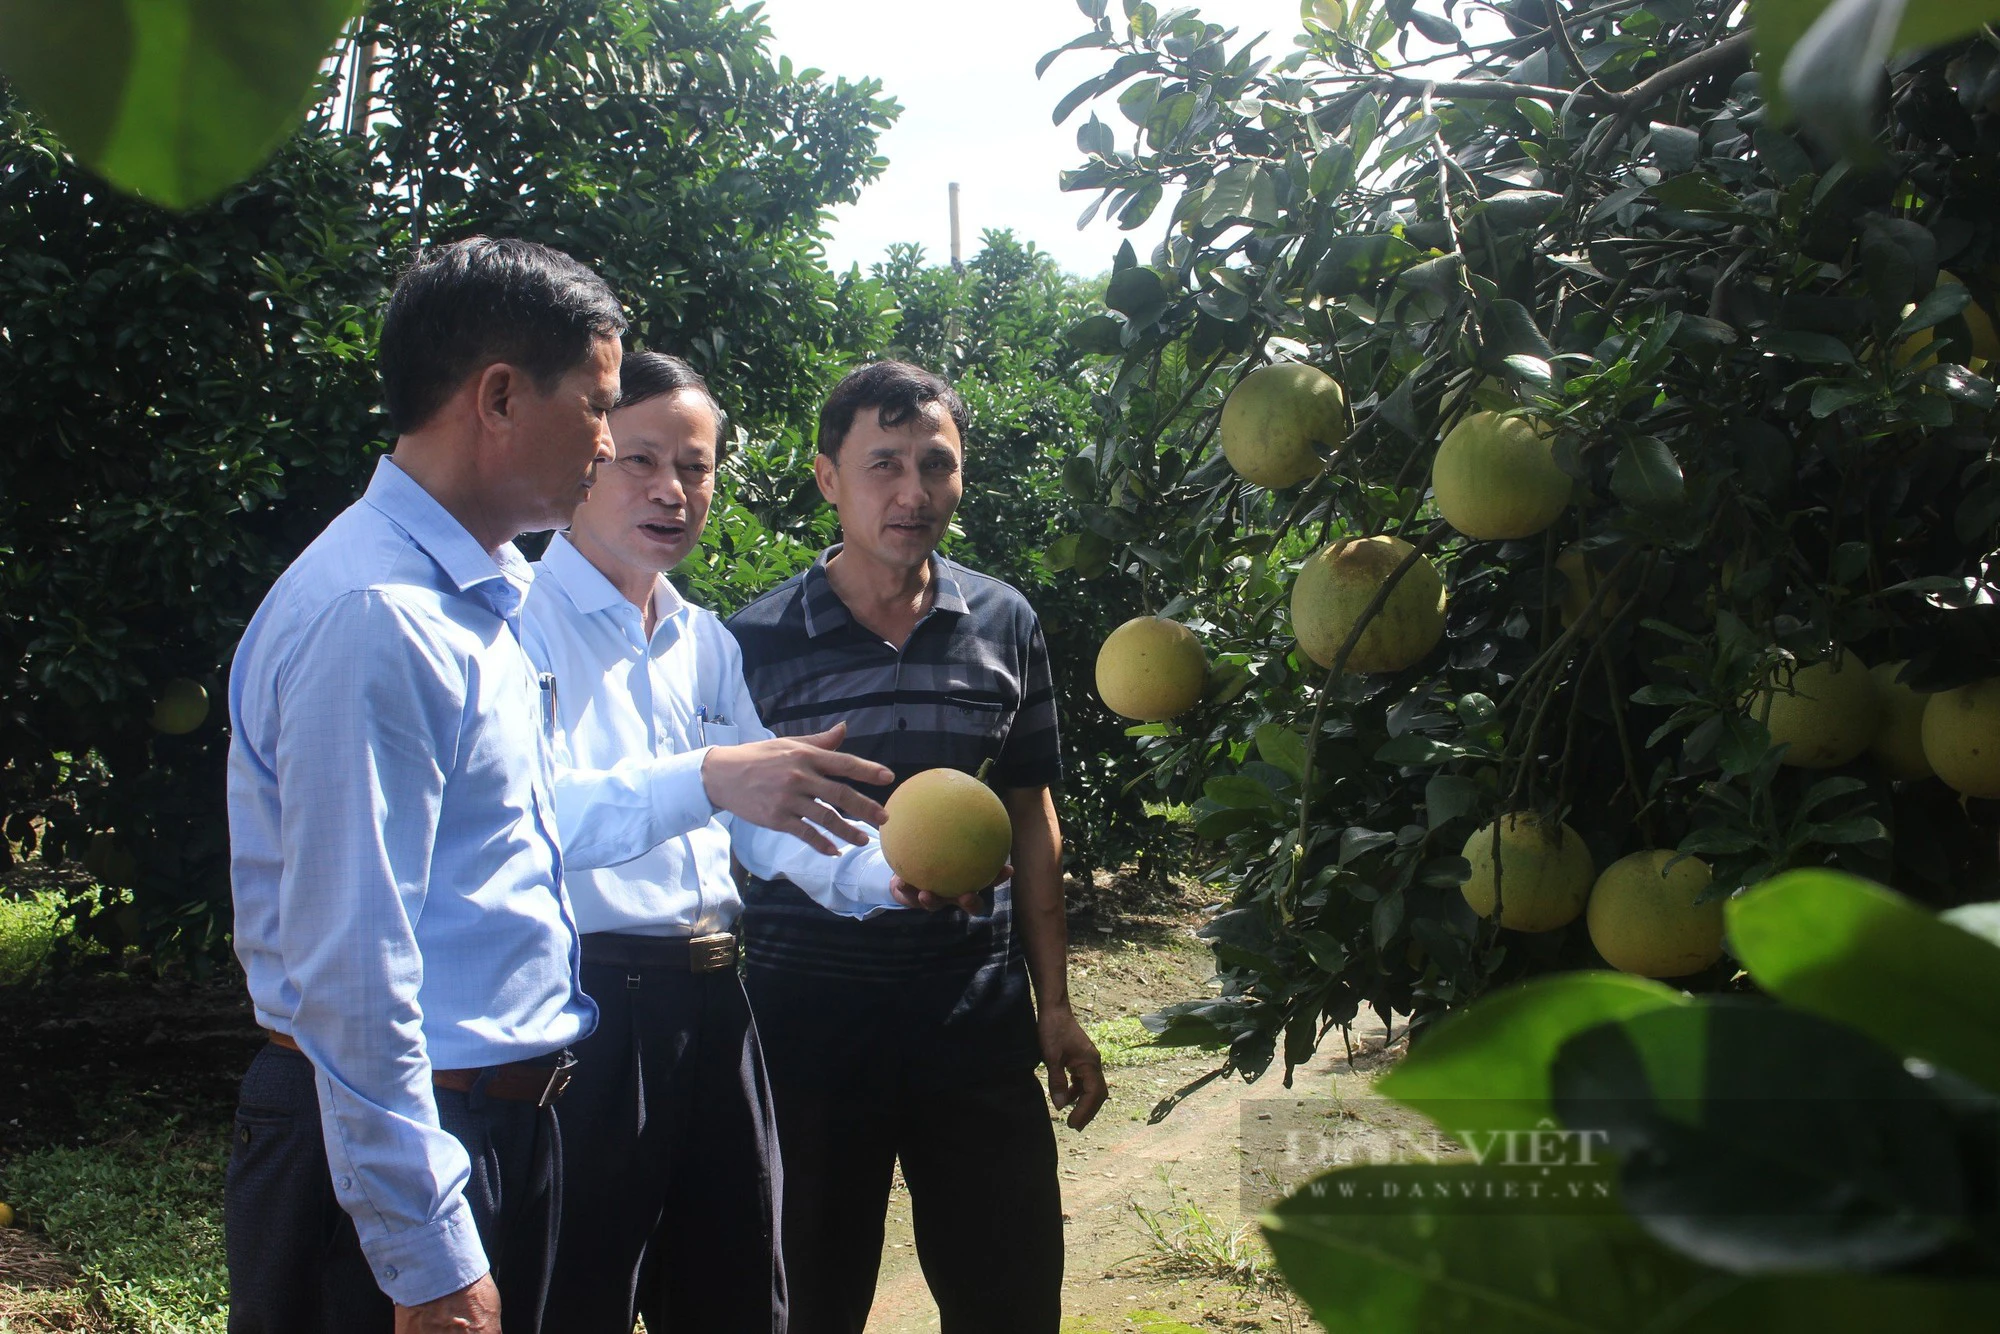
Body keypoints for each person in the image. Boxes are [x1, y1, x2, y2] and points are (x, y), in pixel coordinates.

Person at [223, 240, 882, 1334]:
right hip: (415, 1128)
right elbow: (352, 964)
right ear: (496, 397)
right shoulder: (377, 617)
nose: (605, 443)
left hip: (502, 1113)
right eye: (597, 408)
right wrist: (423, 1250)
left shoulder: (471, 607)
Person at [725, 360, 1110, 1334]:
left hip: (971, 1022)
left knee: (1009, 1299)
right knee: (804, 1304)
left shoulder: (1003, 622)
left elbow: (1031, 819)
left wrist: (1053, 1005)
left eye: (935, 464)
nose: (911, 492)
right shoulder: (751, 645)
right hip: (804, 1035)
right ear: (826, 476)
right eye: (882, 464)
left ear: (962, 475)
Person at [521, 351, 902, 1332]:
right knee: (575, 1294)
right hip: (586, 1010)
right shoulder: (513, 624)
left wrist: (885, 878)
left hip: (715, 1003)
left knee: (735, 1293)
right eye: (639, 459)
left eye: (695, 467)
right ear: (585, 458)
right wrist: (703, 776)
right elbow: (525, 821)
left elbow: (760, 816)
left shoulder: (703, 641)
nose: (671, 489)